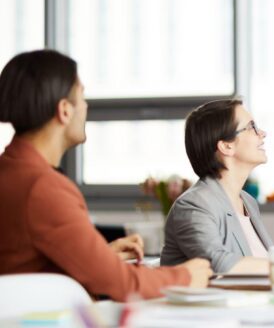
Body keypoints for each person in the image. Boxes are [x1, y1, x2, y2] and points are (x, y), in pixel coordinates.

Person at [0, 50, 212, 301]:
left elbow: (25, 265)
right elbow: (122, 284)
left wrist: (100, 257)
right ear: (65, 110)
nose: (87, 106)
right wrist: (185, 276)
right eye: (83, 96)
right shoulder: (43, 187)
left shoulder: (11, 170)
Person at [161, 99, 274, 274]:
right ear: (226, 146)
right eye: (252, 127)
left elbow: (261, 263)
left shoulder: (247, 201)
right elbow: (218, 264)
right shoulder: (193, 205)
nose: (262, 133)